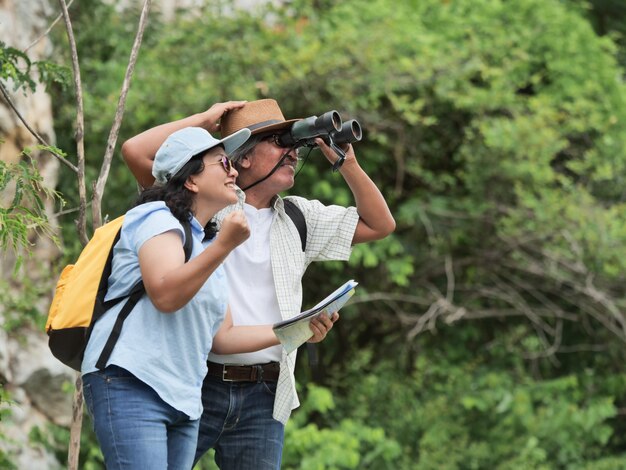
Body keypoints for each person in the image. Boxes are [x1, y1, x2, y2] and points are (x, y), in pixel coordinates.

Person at [121, 99, 396, 469]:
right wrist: (205, 120)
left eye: (295, 145)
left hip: (265, 391)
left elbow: (380, 225)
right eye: (281, 143)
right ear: (243, 158)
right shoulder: (204, 201)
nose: (293, 154)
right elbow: (136, 151)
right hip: (196, 379)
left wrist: (348, 164)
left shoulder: (298, 217)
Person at [82, 126, 323, 469]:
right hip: (131, 380)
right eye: (223, 163)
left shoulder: (208, 244)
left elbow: (223, 338)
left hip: (184, 399)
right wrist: (226, 245)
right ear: (191, 180)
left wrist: (301, 328)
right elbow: (165, 293)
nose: (234, 171)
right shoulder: (156, 217)